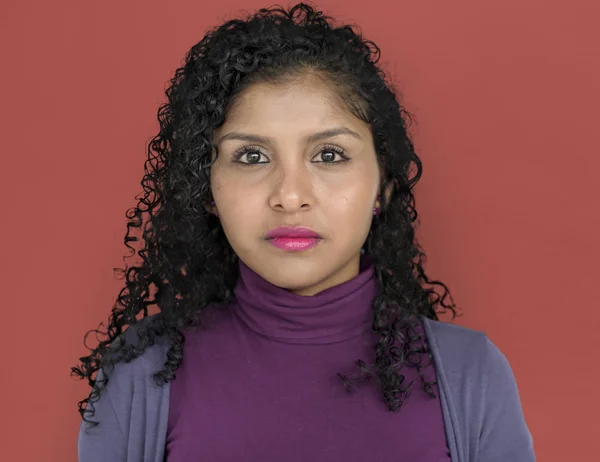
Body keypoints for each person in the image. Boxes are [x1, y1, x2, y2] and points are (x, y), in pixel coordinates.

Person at [72, 3, 535, 461]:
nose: (290, 196)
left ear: (384, 188)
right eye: (251, 156)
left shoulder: (472, 374)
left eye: (329, 155)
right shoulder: (142, 369)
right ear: (206, 189)